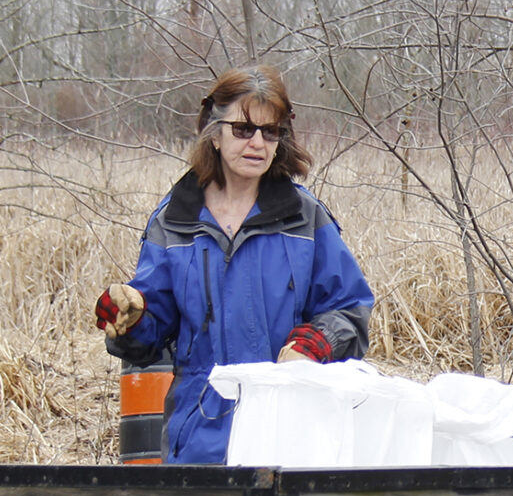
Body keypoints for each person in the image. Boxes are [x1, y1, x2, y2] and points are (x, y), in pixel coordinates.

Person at [97, 66, 376, 464]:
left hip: (291, 429)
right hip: (200, 435)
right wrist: (132, 319)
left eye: (270, 131)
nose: (257, 142)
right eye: (243, 129)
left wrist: (318, 342)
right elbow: (150, 329)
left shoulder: (305, 218)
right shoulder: (175, 219)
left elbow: (350, 309)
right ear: (214, 132)